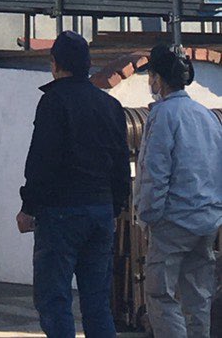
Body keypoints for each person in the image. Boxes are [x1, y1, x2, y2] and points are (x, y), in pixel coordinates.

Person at [16, 29, 131, 338]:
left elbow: (41, 160)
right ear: (88, 64)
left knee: (54, 299)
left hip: (61, 213)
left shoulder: (53, 102)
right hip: (101, 211)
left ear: (55, 63)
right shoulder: (110, 106)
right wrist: (116, 206)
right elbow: (121, 164)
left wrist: (29, 206)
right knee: (96, 302)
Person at [135, 42, 222, 338]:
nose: (150, 82)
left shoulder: (162, 116)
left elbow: (154, 172)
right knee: (199, 298)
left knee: (161, 296)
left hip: (172, 221)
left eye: (151, 76)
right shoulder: (208, 116)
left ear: (158, 78)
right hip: (207, 220)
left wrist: (147, 216)